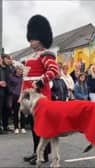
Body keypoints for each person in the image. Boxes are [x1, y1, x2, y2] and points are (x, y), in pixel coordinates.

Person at [21, 15, 59, 164]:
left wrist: (39, 82)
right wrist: (22, 96)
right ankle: (36, 151)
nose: (31, 42)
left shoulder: (45, 54)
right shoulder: (31, 56)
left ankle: (42, 154)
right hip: (30, 98)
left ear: (41, 38)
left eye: (33, 39)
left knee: (41, 126)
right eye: (30, 39)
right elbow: (25, 78)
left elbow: (53, 70)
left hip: (40, 96)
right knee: (34, 127)